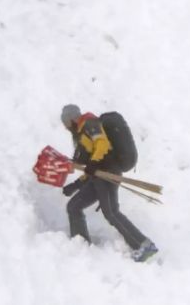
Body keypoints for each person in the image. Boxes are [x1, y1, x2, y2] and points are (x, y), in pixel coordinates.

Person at [59, 104, 158, 262]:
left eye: (65, 123)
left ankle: (144, 245)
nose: (65, 127)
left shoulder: (89, 124)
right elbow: (89, 166)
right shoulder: (80, 134)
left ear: (71, 119)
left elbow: (102, 144)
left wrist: (93, 164)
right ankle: (80, 244)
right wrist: (76, 184)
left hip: (108, 174)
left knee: (111, 213)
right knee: (74, 206)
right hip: (97, 176)